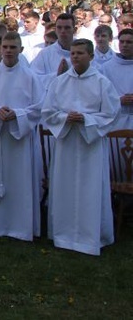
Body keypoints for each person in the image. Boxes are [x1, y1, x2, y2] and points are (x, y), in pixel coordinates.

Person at [41, 39, 120, 255]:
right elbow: (48, 111)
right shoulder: (59, 82)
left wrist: (86, 119)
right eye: (73, 53)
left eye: (80, 53)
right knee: (65, 187)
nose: (75, 57)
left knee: (90, 189)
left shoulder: (102, 83)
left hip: (90, 144)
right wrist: (65, 118)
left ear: (91, 56)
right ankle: (63, 234)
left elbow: (111, 114)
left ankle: (90, 236)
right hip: (66, 142)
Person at [0, 32, 44, 241]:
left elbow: (39, 107)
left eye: (13, 47)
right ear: (1, 49)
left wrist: (17, 115)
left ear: (21, 50)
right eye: (5, 47)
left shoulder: (31, 77)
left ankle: (19, 226)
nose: (9, 51)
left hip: (19, 139)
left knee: (20, 180)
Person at [100, 28, 133, 130]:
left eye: (129, 42)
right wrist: (118, 100)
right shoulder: (106, 67)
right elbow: (99, 95)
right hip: (116, 120)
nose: (124, 45)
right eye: (122, 41)